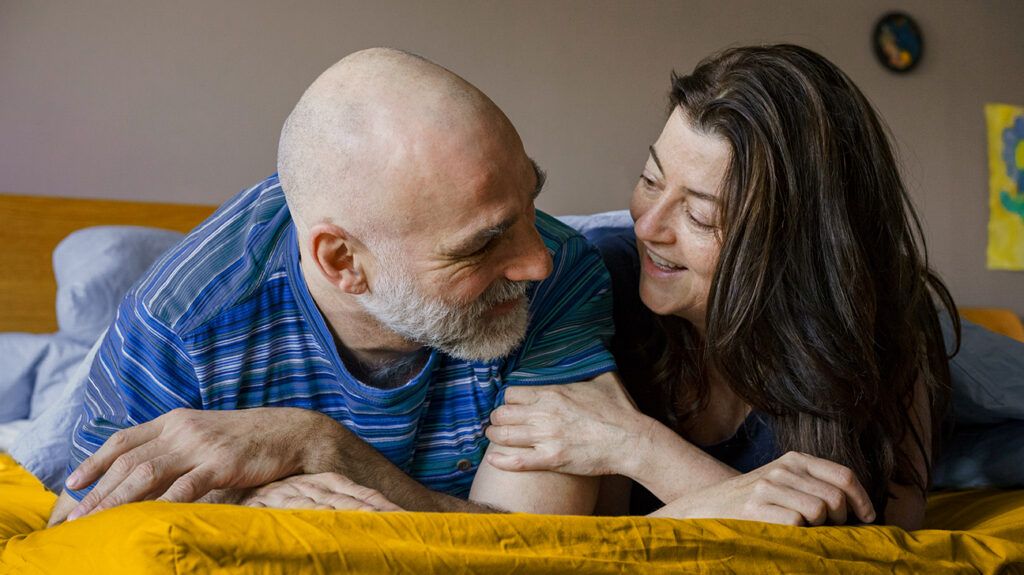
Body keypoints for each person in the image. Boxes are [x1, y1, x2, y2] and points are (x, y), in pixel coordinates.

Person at [48, 48, 620, 525]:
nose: (536, 261)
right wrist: (240, 501)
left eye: (531, 202)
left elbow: (535, 547)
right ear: (342, 259)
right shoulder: (183, 319)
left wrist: (317, 446)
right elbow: (74, 531)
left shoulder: (564, 275)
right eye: (482, 244)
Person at [485, 44, 957, 530]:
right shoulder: (598, 282)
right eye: (650, 180)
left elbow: (891, 537)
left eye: (699, 215)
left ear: (794, 248)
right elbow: (568, 539)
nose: (649, 226)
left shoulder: (885, 311)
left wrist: (638, 446)